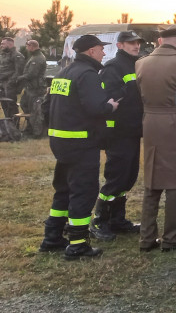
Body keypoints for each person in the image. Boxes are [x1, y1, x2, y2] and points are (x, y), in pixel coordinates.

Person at [40, 34, 119, 259]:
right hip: (82, 143)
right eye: (101, 49)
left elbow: (46, 107)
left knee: (63, 189)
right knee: (83, 191)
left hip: (61, 142)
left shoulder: (63, 73)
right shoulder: (87, 74)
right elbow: (96, 107)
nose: (104, 53)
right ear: (91, 51)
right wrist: (110, 106)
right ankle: (78, 245)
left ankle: (52, 237)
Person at [135, 25, 176, 252]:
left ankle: (147, 238)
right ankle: (172, 238)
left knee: (151, 182)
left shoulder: (140, 63)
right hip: (175, 123)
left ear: (160, 41)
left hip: (150, 122)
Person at [91, 31, 145, 240]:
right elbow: (110, 96)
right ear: (120, 45)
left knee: (128, 176)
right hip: (118, 130)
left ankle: (117, 220)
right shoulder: (113, 67)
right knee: (115, 176)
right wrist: (129, 89)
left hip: (132, 129)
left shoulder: (137, 64)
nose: (136, 46)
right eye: (131, 43)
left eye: (137, 42)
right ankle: (99, 220)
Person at [19, 40, 48, 134]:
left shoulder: (38, 58)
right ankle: (30, 127)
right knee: (25, 105)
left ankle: (36, 131)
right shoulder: (34, 57)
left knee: (35, 110)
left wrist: (20, 78)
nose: (27, 49)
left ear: (32, 46)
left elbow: (32, 74)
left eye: (28, 46)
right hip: (31, 87)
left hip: (36, 88)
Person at [0, 36, 25, 119]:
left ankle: (14, 123)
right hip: (2, 83)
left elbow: (19, 71)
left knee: (11, 104)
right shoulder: (4, 55)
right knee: (4, 103)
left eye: (3, 44)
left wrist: (11, 82)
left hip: (9, 84)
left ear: (10, 44)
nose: (1, 45)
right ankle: (7, 120)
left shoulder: (17, 56)